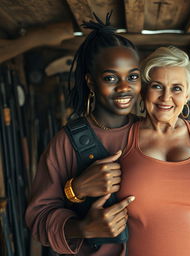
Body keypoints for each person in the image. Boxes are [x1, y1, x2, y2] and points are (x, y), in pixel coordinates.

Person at [25, 12, 141, 255]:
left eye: (132, 76)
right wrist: (78, 202)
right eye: (110, 77)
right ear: (90, 82)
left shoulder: (153, 132)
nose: (124, 87)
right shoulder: (66, 142)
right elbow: (38, 221)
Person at [117, 46, 190, 256]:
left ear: (188, 94)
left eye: (176, 88)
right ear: (143, 90)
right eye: (157, 86)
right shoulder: (122, 139)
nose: (166, 97)